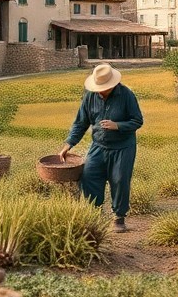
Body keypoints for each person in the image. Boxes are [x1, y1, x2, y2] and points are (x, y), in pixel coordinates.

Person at [58, 63, 143, 232]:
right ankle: (94, 213)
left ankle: (119, 217)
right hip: (99, 145)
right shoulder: (90, 97)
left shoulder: (126, 95)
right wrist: (68, 145)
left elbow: (137, 121)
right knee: (89, 175)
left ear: (112, 85)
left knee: (119, 179)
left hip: (123, 147)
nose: (100, 91)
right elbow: (80, 123)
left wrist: (117, 125)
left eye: (103, 88)